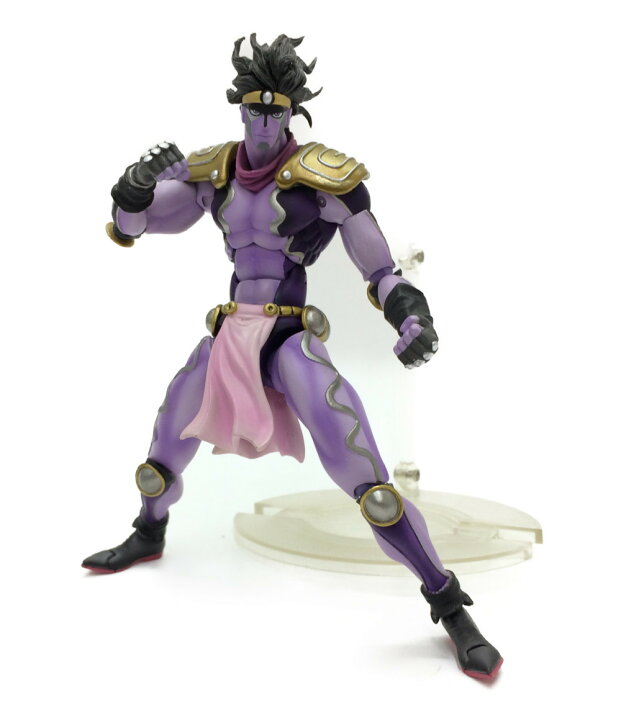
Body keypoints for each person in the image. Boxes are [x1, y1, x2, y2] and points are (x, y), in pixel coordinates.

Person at [83, 34, 502, 680]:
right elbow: (131, 228)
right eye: (254, 107)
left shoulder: (323, 180)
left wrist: (410, 314)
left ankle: (448, 604)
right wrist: (133, 188)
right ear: (240, 106)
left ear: (292, 112)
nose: (263, 121)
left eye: (275, 110)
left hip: (287, 338)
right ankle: (149, 530)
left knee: (366, 479)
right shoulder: (214, 173)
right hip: (231, 332)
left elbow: (379, 267)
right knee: (163, 448)